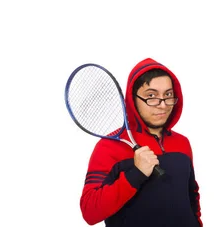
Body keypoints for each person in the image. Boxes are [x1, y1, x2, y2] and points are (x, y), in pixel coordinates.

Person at [79, 58, 202, 226]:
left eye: (168, 95)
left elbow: (192, 197)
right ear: (132, 99)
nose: (163, 105)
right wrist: (136, 174)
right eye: (151, 96)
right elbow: (90, 212)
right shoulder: (109, 147)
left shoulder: (182, 143)